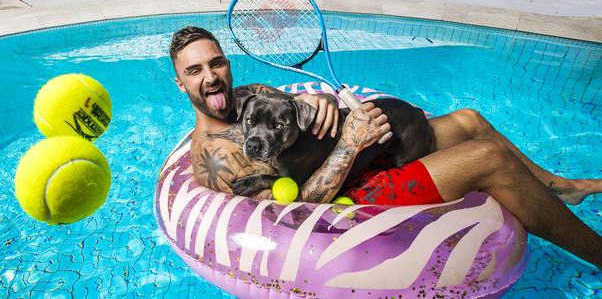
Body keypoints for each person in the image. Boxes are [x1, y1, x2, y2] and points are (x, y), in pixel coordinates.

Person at [169, 26, 602, 268]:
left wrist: (318, 104)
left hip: (359, 155)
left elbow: (294, 114)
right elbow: (295, 211)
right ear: (180, 82)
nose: (210, 77)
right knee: (490, 159)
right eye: (194, 71)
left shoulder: (250, 94)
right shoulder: (216, 159)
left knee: (470, 120)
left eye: (216, 62)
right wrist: (351, 145)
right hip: (351, 196)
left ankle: (559, 186)